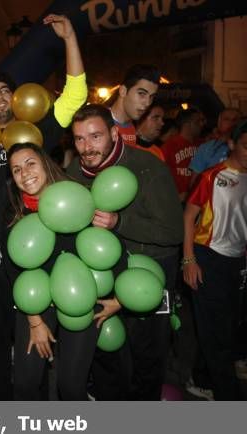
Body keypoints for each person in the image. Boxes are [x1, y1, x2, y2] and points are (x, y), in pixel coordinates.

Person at [0, 14, 87, 400]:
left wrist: (69, 38)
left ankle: (33, 407)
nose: (0, 96)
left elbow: (73, 96)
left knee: (31, 340)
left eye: (6, 90)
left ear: (17, 99)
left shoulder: (35, 136)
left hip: (29, 258)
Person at [67, 104, 184, 400]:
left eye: (95, 137)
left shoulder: (147, 168)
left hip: (149, 274)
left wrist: (120, 222)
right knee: (109, 357)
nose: (86, 147)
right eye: (79, 139)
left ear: (114, 133)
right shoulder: (73, 172)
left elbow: (173, 233)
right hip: (103, 274)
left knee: (148, 359)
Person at [4, 142, 107, 400]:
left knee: (71, 387)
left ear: (45, 163)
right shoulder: (14, 212)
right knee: (25, 384)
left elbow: (105, 246)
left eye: (30, 164)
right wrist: (35, 321)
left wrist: (118, 299)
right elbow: (15, 270)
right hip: (36, 304)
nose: (24, 173)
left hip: (79, 296)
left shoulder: (76, 197)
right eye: (16, 170)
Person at [182, 117, 247, 400]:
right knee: (220, 335)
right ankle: (231, 399)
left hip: (235, 262)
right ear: (232, 144)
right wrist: (189, 261)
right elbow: (188, 216)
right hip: (207, 256)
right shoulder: (212, 175)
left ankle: (200, 379)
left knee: (224, 326)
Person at [109, 64, 160, 150]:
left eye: (151, 97)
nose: (147, 103)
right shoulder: (100, 123)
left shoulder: (132, 128)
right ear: (123, 91)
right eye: (141, 94)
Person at [188, 108, 242, 188]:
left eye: (235, 120)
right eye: (226, 119)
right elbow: (194, 183)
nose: (231, 123)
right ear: (219, 123)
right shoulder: (205, 148)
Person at [162, 107, 206, 201]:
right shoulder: (169, 145)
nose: (202, 124)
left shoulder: (203, 145)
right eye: (198, 121)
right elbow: (162, 175)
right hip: (177, 200)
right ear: (187, 124)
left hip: (198, 199)